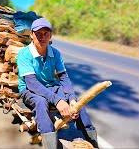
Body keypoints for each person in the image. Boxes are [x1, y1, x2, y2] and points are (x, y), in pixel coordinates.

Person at [16, 18, 98, 149]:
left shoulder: (55, 53)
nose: (42, 37)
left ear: (51, 35)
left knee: (78, 104)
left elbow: (64, 77)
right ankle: (51, 144)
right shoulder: (24, 54)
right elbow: (32, 83)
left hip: (51, 86)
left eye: (46, 33)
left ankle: (93, 142)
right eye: (38, 33)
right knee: (41, 103)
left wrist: (70, 98)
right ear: (31, 35)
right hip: (29, 89)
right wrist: (58, 101)